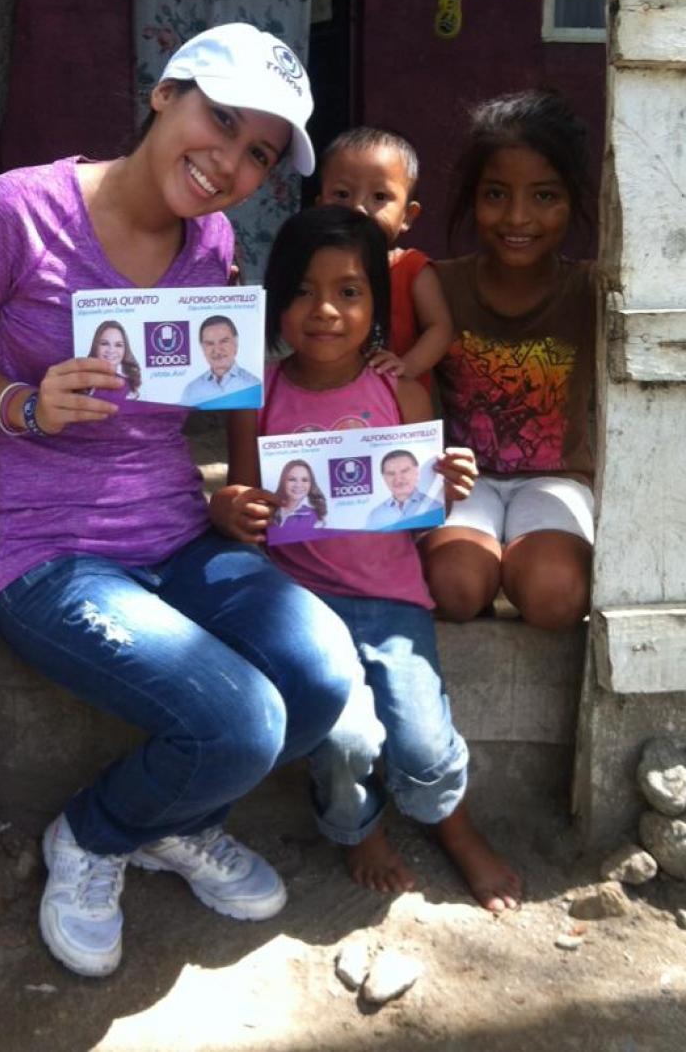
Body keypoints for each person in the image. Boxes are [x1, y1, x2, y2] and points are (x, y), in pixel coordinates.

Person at [0, 23, 360, 979]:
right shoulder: (16, 213)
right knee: (244, 720)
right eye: (219, 119)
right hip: (51, 556)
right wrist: (21, 402)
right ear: (164, 93)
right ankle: (91, 836)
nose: (228, 163)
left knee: (323, 675)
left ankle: (172, 824)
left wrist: (241, 489)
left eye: (258, 153)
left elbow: (219, 385)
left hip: (175, 532)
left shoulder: (212, 241)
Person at [211, 206, 521, 908]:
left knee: (419, 738)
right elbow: (241, 496)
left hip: (392, 604)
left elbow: (421, 505)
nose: (324, 311)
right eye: (301, 292)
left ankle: (452, 823)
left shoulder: (400, 390)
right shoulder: (256, 397)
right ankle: (359, 831)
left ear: (376, 303)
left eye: (348, 291)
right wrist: (227, 508)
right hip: (298, 609)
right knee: (344, 737)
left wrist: (450, 485)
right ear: (275, 301)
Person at [420, 91, 686, 632]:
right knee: (454, 587)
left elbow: (684, 281)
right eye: (497, 194)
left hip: (557, 481)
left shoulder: (593, 289)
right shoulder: (437, 284)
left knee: (555, 596)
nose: (518, 217)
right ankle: (480, 585)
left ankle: (512, 572)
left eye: (545, 195)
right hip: (463, 483)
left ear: (575, 201)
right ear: (471, 197)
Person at [318, 126, 452, 390]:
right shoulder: (313, 268)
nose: (358, 207)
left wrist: (406, 367)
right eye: (342, 194)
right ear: (319, 206)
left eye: (379, 197)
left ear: (408, 216)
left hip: (397, 407)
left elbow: (440, 329)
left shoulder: (411, 268)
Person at [180, 313, 260, 406]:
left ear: (236, 342)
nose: (217, 350)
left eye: (224, 341)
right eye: (209, 343)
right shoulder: (192, 390)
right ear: (202, 347)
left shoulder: (253, 384)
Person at [366, 448, 444, 530]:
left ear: (417, 471)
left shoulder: (436, 507)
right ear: (384, 477)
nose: (398, 479)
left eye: (404, 471)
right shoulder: (375, 515)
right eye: (391, 473)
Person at [271, 459, 329, 540]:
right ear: (283, 482)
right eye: (292, 479)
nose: (298, 485)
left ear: (311, 484)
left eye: (304, 480)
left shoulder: (316, 517)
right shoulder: (270, 509)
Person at [88, 319, 141, 398]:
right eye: (104, 343)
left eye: (118, 345)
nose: (111, 350)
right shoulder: (84, 382)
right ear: (96, 346)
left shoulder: (132, 387)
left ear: (125, 349)